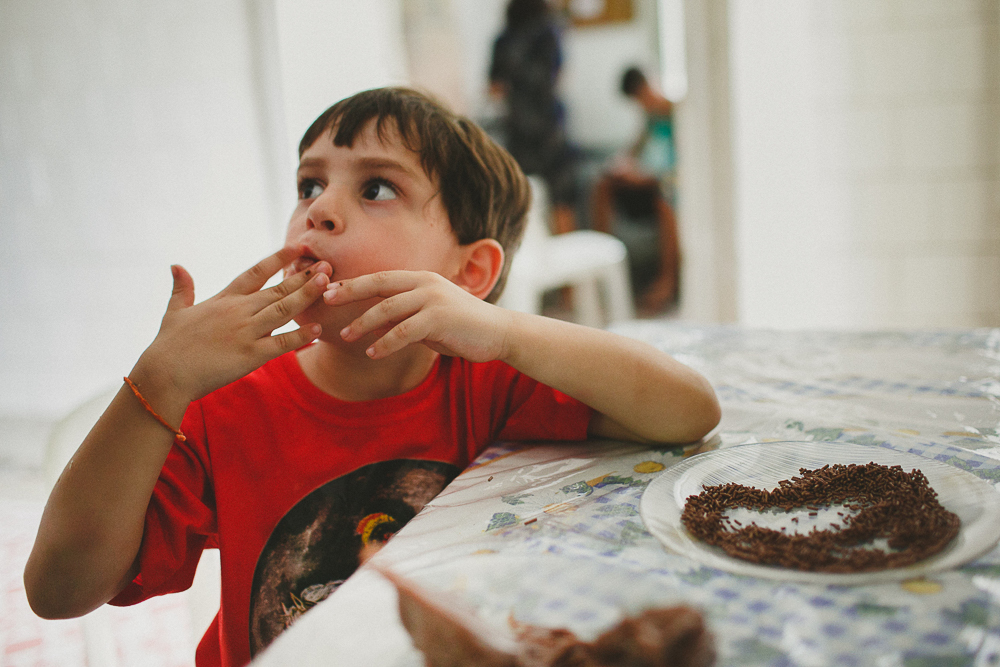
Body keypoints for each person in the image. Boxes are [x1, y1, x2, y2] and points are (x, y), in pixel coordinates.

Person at [23, 87, 720, 667]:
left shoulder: (484, 382)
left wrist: (505, 330)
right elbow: (57, 589)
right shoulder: (227, 406)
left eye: (376, 187)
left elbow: (688, 410)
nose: (319, 209)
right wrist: (158, 383)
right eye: (309, 184)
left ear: (468, 273)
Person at [592, 66, 681, 313]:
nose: (643, 102)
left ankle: (666, 282)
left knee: (666, 202)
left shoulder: (679, 114)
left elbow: (679, 169)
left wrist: (646, 177)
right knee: (602, 185)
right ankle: (602, 266)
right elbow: (633, 152)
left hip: (666, 187)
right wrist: (621, 166)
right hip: (645, 183)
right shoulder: (650, 118)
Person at [489, 0, 577, 235]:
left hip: (518, 125)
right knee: (561, 196)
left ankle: (528, 259)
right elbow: (556, 77)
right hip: (549, 124)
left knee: (521, 193)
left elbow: (494, 88)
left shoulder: (504, 39)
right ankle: (567, 261)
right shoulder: (550, 30)